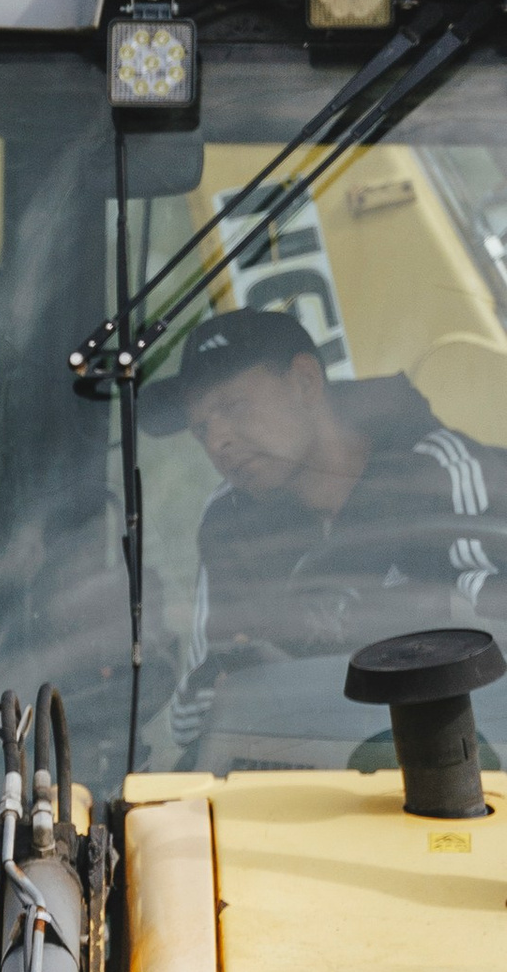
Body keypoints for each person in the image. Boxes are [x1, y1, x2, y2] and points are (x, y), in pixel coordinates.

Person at [152, 308, 507, 762]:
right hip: (305, 789)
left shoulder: (438, 475)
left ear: (305, 381)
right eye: (201, 428)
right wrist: (238, 676)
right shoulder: (228, 523)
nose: (217, 441)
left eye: (234, 407)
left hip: (459, 772)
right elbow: (186, 721)